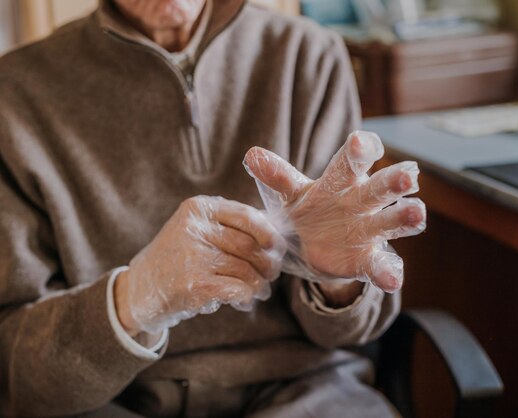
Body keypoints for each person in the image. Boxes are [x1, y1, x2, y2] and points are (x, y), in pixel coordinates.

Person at [0, 0, 426, 416]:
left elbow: (352, 331)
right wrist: (135, 296)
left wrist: (337, 282)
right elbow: (19, 374)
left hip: (305, 387)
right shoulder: (16, 93)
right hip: (117, 397)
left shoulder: (307, 55)